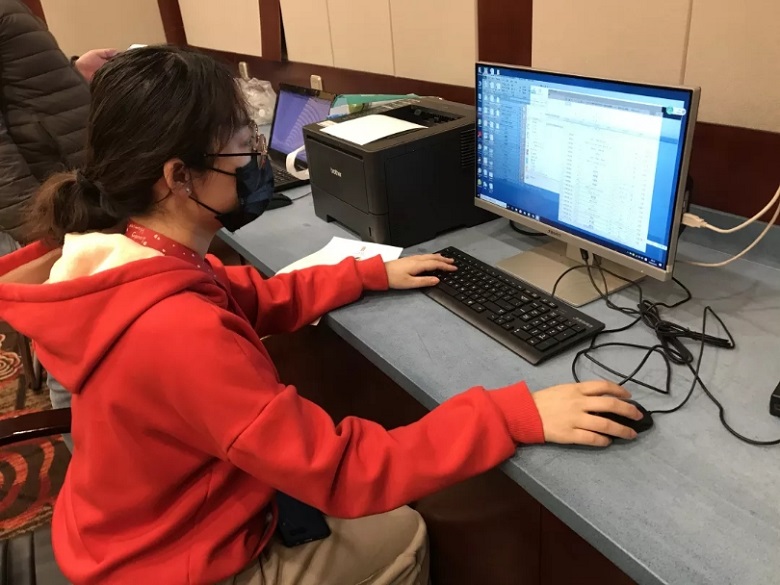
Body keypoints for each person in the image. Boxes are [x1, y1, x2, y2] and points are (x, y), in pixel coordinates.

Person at [0, 46, 641, 585]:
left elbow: (248, 298)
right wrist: (512, 415)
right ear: (180, 177)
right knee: (404, 533)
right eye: (242, 147)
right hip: (176, 560)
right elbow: (342, 472)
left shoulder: (123, 257)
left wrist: (366, 273)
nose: (255, 160)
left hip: (122, 524)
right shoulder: (175, 330)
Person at [0, 0, 115, 441]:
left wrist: (71, 71)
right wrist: (41, 228)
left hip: (70, 196)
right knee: (74, 350)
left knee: (90, 341)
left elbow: (20, 88)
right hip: (51, 213)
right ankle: (95, 461)